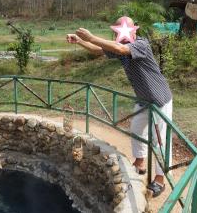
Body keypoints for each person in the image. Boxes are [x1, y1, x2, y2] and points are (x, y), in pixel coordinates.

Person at [66, 16, 173, 197]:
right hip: (143, 99)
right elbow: (98, 50)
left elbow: (120, 48)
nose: (121, 33)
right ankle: (140, 164)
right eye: (119, 29)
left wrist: (91, 37)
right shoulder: (120, 45)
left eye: (125, 29)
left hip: (159, 100)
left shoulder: (140, 45)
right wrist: (80, 41)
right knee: (137, 130)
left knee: (160, 141)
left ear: (134, 30)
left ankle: (160, 180)